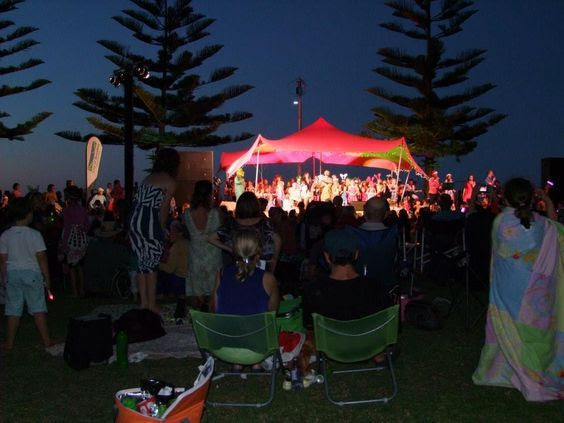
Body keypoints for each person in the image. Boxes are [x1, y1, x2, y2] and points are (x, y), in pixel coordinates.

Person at [473, 178, 563, 401]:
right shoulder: (542, 224)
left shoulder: (501, 223)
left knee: (508, 326)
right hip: (535, 291)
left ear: (505, 198)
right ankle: (535, 370)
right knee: (533, 330)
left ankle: (505, 371)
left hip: (508, 288)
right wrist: (548, 202)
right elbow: (558, 229)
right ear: (533, 198)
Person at [0, 198, 55, 351]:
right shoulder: (34, 235)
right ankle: (46, 341)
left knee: (12, 309)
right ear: (28, 214)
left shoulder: (5, 235)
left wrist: (3, 278)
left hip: (13, 275)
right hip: (32, 274)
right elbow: (42, 258)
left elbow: (3, 260)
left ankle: (9, 343)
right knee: (37, 307)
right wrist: (47, 279)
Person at [128, 148, 179, 313]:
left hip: (134, 220)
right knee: (152, 263)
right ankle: (151, 304)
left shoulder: (148, 178)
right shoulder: (169, 182)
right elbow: (163, 210)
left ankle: (144, 303)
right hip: (149, 221)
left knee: (142, 263)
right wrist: (162, 230)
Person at [211, 227, 280, 315]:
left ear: (234, 251)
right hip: (256, 328)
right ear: (258, 253)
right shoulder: (268, 279)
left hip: (226, 328)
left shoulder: (222, 274)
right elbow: (273, 314)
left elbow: (215, 309)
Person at [210, 191, 281, 273]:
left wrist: (231, 249)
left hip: (238, 263)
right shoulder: (263, 223)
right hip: (259, 264)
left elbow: (211, 238)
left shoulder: (232, 224)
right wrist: (274, 259)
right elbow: (277, 239)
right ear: (256, 206)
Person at [184, 180, 223, 310]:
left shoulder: (187, 214)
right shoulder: (215, 213)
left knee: (196, 288)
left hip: (195, 253)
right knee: (214, 289)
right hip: (212, 254)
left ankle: (196, 317)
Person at [59, 186, 90, 297]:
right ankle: (81, 290)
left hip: (72, 240)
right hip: (82, 239)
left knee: (72, 267)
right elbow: (87, 225)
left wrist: (63, 245)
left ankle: (75, 291)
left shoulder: (67, 210)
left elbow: (66, 227)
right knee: (80, 266)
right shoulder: (82, 209)